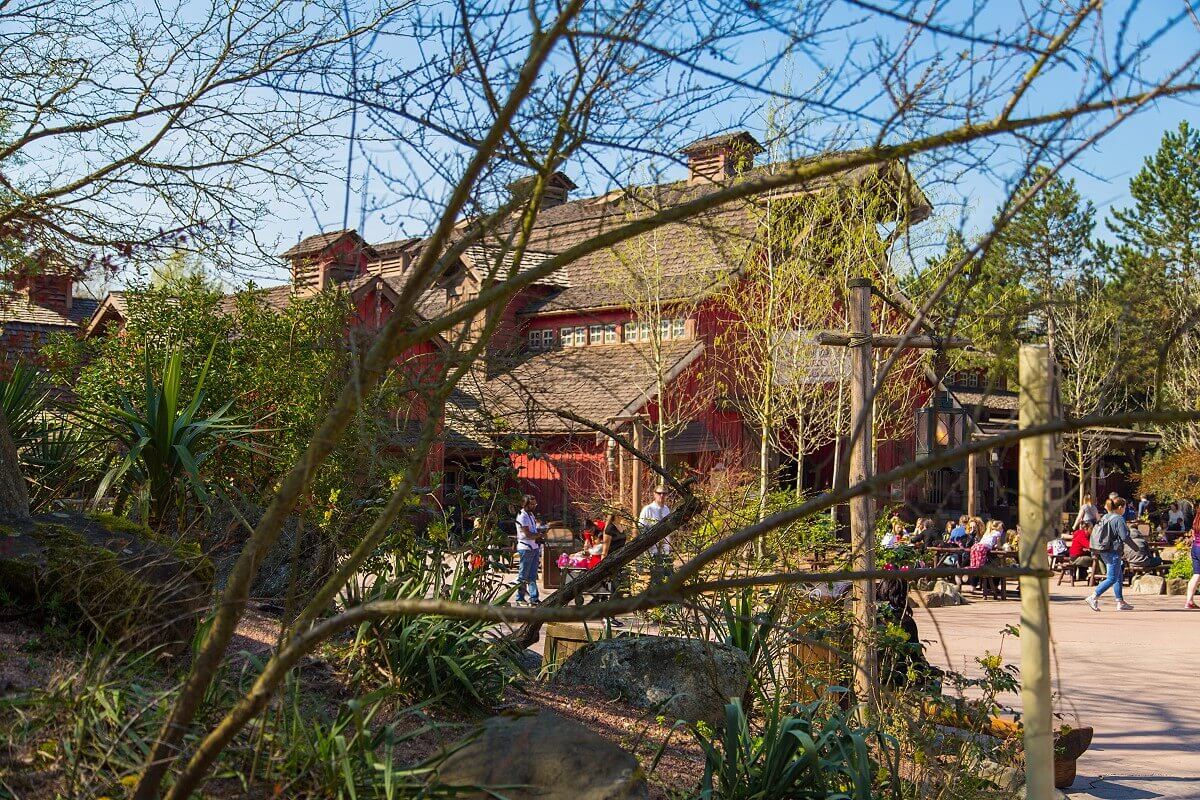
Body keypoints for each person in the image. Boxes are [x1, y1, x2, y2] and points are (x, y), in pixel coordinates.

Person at [1084, 497, 1137, 612]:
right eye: (1125, 507)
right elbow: (1124, 537)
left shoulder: (1105, 517)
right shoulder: (1118, 519)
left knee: (1118, 576)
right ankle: (1093, 596)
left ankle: (1120, 602)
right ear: (1119, 507)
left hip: (1103, 550)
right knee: (1112, 578)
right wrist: (1135, 548)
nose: (1125, 510)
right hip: (1113, 551)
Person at [514, 495, 546, 606]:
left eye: (535, 504)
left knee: (532, 576)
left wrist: (539, 534)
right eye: (532, 504)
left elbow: (533, 530)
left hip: (534, 548)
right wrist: (539, 535)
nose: (534, 506)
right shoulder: (522, 516)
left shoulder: (531, 514)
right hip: (526, 548)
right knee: (523, 576)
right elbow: (527, 534)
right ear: (525, 504)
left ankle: (534, 598)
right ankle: (520, 598)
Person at [639, 486, 672, 585]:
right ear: (654, 494)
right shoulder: (648, 509)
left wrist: (669, 546)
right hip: (653, 549)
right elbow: (641, 528)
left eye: (664, 494)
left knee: (669, 577)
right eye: (659, 493)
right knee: (657, 578)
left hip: (665, 549)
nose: (661, 496)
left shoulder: (667, 509)